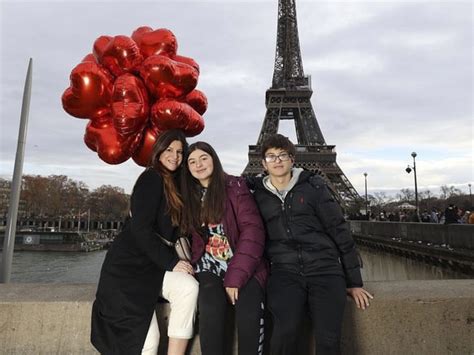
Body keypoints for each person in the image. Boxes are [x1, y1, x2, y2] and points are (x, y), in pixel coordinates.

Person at [248, 134, 373, 355]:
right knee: (284, 334)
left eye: (283, 155)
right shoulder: (256, 194)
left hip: (325, 270)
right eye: (271, 156)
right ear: (263, 163)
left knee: (328, 339)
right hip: (284, 272)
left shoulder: (314, 187)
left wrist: (354, 282)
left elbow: (339, 230)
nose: (277, 160)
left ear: (292, 159)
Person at [91, 129, 199, 355]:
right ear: (159, 151)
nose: (175, 156)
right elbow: (140, 229)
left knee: (188, 287)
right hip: (129, 270)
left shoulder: (178, 186)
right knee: (147, 343)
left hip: (153, 267)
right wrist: (172, 263)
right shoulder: (151, 178)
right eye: (169, 150)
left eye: (180, 152)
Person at [181, 141, 268, 355]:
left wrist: (235, 277)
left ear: (214, 159)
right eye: (192, 161)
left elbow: (253, 231)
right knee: (210, 310)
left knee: (249, 312)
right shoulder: (188, 195)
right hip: (208, 266)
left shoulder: (235, 186)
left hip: (243, 263)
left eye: (203, 158)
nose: (198, 165)